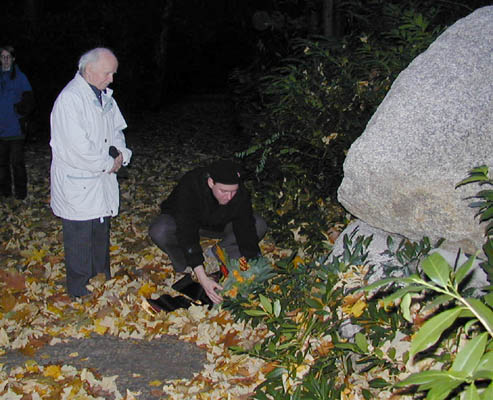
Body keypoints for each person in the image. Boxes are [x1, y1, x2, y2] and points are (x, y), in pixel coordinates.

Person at [49, 47, 132, 298]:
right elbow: (76, 148)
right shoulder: (70, 100)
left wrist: (120, 154)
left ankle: (101, 284)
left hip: (101, 180)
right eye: (108, 73)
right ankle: (81, 293)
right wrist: (109, 163)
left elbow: (117, 131)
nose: (111, 79)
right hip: (79, 183)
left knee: (99, 236)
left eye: (113, 73)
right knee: (79, 241)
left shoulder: (105, 97)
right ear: (89, 70)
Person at [149, 160, 267, 304]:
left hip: (220, 225)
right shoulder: (191, 184)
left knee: (258, 225)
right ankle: (186, 266)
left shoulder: (239, 193)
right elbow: (186, 230)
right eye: (223, 191)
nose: (229, 197)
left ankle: (217, 253)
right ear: (211, 182)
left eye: (233, 192)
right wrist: (202, 277)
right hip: (186, 223)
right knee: (159, 230)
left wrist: (254, 266)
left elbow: (246, 229)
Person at [0, 45, 35, 199]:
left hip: (16, 129)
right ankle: (5, 193)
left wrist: (20, 111)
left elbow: (29, 101)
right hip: (1, 129)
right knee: (2, 164)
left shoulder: (20, 77)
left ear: (13, 59)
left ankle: (21, 195)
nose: (5, 60)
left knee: (17, 163)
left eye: (8, 57)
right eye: (3, 57)